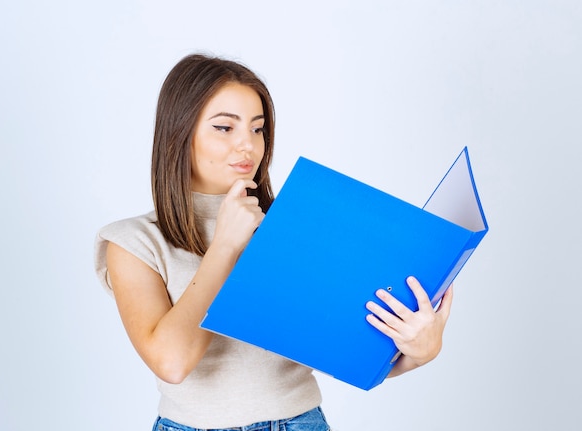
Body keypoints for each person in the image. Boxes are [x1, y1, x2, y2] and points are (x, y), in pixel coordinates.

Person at [94, 53, 453, 431]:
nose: (247, 145)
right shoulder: (134, 241)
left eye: (257, 128)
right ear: (179, 133)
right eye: (224, 128)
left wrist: (419, 351)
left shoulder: (292, 225)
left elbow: (342, 347)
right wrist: (225, 246)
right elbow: (173, 363)